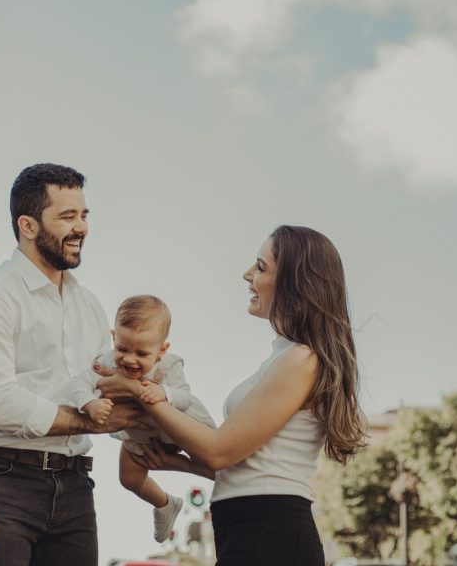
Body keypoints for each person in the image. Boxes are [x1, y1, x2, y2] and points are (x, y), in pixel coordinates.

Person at [95, 225, 368, 566]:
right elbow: (246, 466)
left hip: (269, 531)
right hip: (250, 526)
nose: (247, 274)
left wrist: (138, 390)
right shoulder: (284, 356)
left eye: (261, 267)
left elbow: (219, 451)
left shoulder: (301, 359)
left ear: (293, 284)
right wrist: (175, 462)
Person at [0, 163, 147, 566]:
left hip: (76, 488)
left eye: (85, 215)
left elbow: (101, 394)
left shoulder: (90, 307)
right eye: (68, 216)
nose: (82, 228)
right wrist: (86, 421)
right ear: (29, 225)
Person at [68, 295, 216, 543]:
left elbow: (185, 398)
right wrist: (89, 403)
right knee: (129, 478)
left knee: (213, 462)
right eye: (122, 349)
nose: (129, 360)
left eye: (141, 353)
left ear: (162, 350)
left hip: (179, 428)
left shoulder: (169, 366)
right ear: (114, 338)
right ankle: (166, 504)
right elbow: (78, 382)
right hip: (140, 433)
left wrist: (164, 392)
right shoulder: (104, 362)